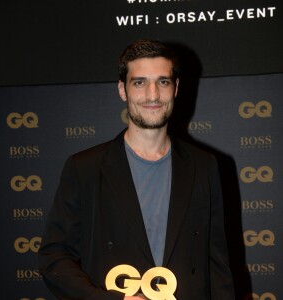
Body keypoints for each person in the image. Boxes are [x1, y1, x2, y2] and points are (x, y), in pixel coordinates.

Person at [38, 39, 235, 300]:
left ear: (175, 88)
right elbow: (54, 257)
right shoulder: (84, 168)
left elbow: (217, 263)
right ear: (123, 89)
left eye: (162, 82)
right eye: (139, 82)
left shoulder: (203, 165)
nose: (152, 95)